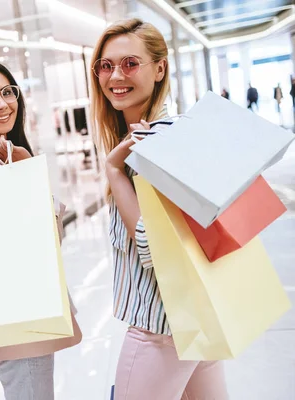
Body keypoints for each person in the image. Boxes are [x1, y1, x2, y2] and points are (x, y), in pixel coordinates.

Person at [88, 19, 228, 399]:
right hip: (198, 320)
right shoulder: (166, 133)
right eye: (105, 65)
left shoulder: (157, 142)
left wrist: (115, 172)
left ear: (160, 68)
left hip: (160, 331)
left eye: (130, 63)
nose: (115, 75)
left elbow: (156, 250)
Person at [0, 59, 82, 400]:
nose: (3, 103)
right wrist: (27, 169)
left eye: (8, 92)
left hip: (10, 315)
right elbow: (46, 238)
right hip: (23, 315)